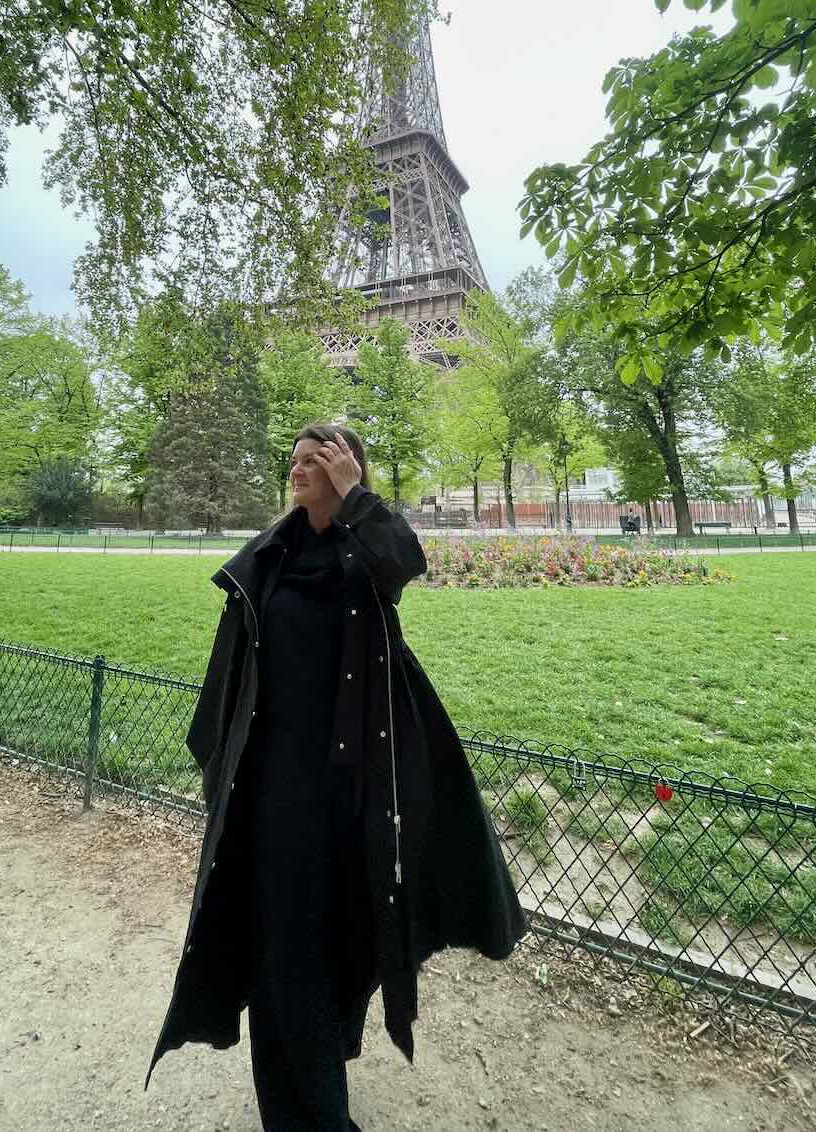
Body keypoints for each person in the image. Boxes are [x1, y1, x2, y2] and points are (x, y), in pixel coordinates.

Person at [146, 422, 527, 1129]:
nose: (298, 469)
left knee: (337, 951)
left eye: (316, 459)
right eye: (292, 459)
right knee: (284, 957)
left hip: (353, 797)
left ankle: (312, 1082)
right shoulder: (271, 555)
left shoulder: (361, 558)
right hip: (274, 799)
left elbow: (405, 561)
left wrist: (356, 495)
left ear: (346, 469)